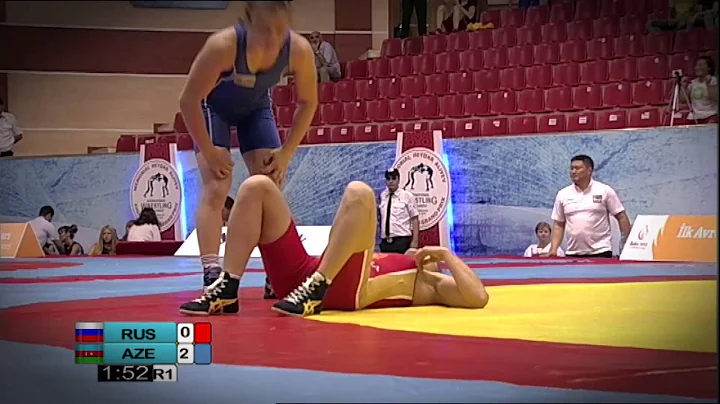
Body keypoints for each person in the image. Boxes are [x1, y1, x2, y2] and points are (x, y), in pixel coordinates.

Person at [179, 175, 489, 317]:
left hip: (346, 289)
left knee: (360, 192)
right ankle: (228, 287)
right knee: (257, 186)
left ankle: (319, 285)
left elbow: (478, 297)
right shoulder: (389, 255)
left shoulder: (430, 282)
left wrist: (446, 254)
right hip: (304, 278)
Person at [179, 1, 318, 291]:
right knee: (217, 186)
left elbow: (308, 102)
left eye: (279, 31)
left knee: (269, 185)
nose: (271, 40)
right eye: (265, 31)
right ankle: (211, 270)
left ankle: (275, 271)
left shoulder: (298, 49)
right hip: (213, 108)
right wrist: (208, 149)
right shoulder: (223, 45)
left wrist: (286, 152)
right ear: (249, 18)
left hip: (256, 109)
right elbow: (188, 101)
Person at [547, 155, 632, 258]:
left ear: (589, 170)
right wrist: (553, 248)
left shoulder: (605, 190)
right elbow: (558, 224)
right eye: (571, 168)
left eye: (577, 168)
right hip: (572, 253)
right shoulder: (562, 194)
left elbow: (621, 216)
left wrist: (626, 243)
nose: (573, 171)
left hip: (601, 252)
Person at [379, 168, 419, 254]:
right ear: (385, 181)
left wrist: (415, 241)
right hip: (385, 242)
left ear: (398, 180)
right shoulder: (383, 196)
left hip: (402, 241)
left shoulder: (407, 196)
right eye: (388, 179)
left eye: (394, 178)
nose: (391, 181)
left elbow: (415, 219)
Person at [681, 56, 718, 123]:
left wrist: (708, 85)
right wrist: (683, 86)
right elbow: (683, 100)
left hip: (710, 115)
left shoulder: (714, 80)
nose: (697, 68)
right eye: (696, 65)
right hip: (694, 117)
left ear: (709, 68)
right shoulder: (693, 82)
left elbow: (715, 97)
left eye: (701, 65)